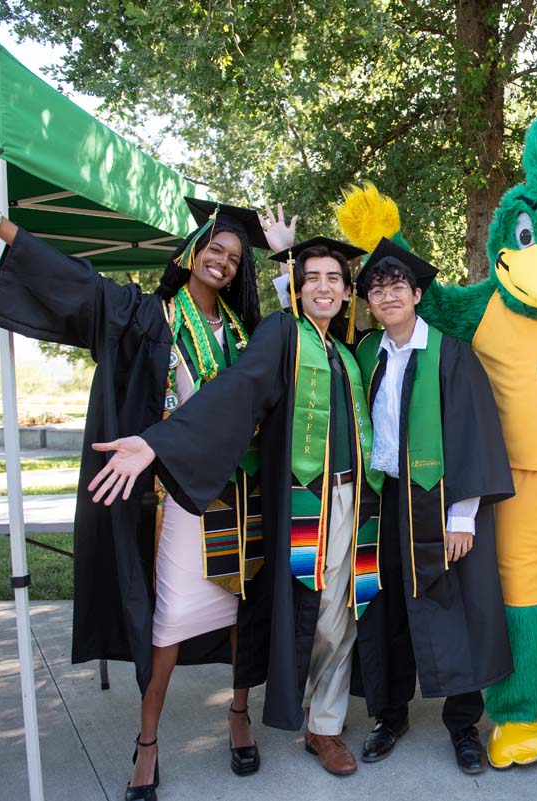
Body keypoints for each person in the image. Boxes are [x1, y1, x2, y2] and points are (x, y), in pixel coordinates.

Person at [0, 160, 287, 800]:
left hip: (241, 499)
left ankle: (238, 715)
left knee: (242, 615)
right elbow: (78, 283)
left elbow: (297, 343)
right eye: (215, 249)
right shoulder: (150, 315)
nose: (224, 262)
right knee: (168, 626)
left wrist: (287, 260)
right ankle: (147, 741)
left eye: (235, 258)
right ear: (191, 252)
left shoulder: (244, 333)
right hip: (177, 502)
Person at [87, 236, 387, 778]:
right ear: (296, 289)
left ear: (347, 293)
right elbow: (237, 388)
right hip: (302, 500)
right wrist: (157, 442)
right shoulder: (281, 334)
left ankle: (325, 726)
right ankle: (292, 715)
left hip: (355, 499)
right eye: (311, 277)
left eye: (334, 280)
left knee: (344, 613)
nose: (323, 287)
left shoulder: (347, 351)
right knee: (313, 614)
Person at [350, 238, 514, 774]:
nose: (388, 296)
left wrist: (463, 515)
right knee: (386, 604)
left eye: (397, 286)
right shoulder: (367, 352)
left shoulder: (450, 352)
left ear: (417, 293)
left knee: (454, 606)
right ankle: (389, 714)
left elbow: (473, 433)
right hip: (384, 498)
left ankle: (463, 725)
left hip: (440, 498)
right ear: (370, 303)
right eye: (378, 289)